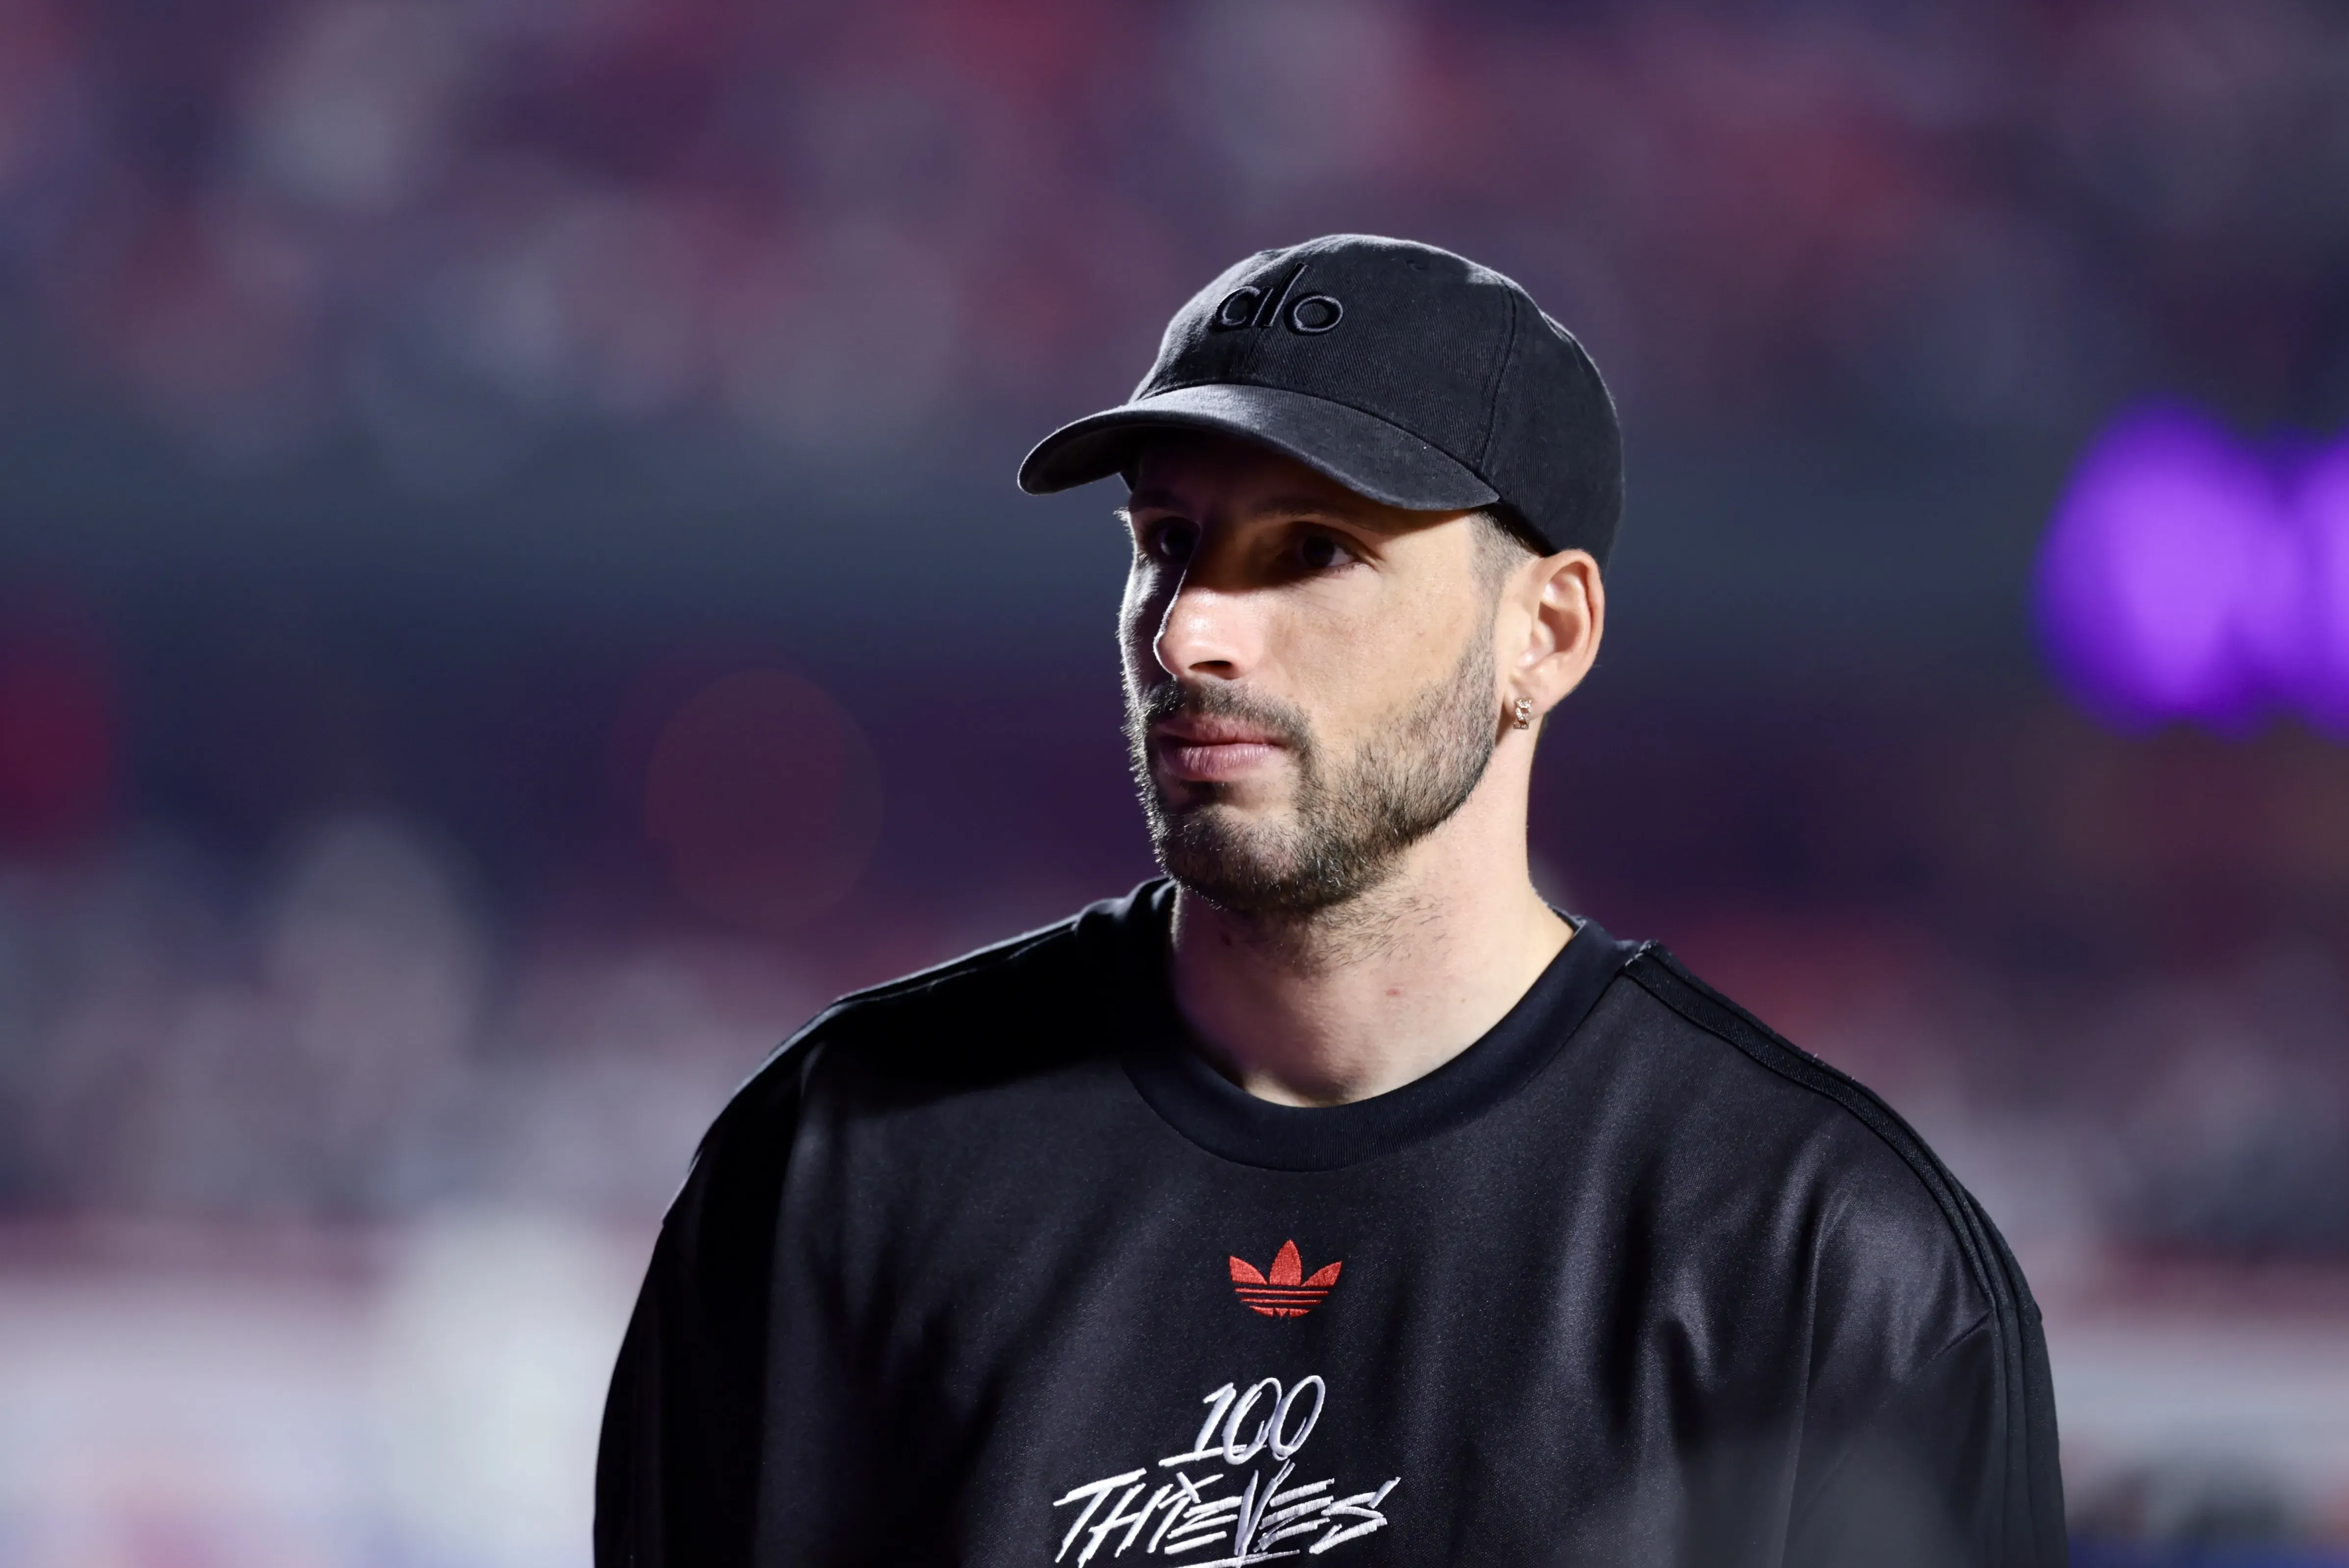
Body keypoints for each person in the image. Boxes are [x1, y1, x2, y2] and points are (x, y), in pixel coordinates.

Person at [595, 235, 2066, 1567]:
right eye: (1166, 543)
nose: (1191, 631)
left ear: (1545, 632)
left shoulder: (1817, 1252)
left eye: (1313, 551)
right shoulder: (837, 1159)